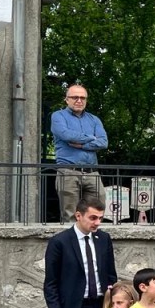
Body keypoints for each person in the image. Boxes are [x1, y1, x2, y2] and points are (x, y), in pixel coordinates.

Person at [51, 83, 109, 222]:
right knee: (70, 214)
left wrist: (81, 145)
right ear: (67, 99)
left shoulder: (94, 119)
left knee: (96, 211)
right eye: (75, 97)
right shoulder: (58, 116)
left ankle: (91, 242)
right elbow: (66, 135)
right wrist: (91, 138)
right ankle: (72, 243)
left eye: (83, 98)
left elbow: (103, 142)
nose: (79, 100)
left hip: (92, 172)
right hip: (68, 171)